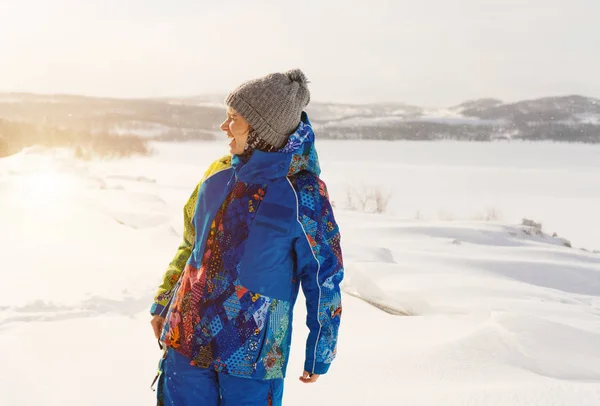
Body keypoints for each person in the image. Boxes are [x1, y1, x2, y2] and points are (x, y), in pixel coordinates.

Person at [149, 69, 344, 406]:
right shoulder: (217, 174)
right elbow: (190, 244)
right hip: (185, 341)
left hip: (250, 356)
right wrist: (164, 302)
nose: (224, 127)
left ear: (261, 130)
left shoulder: (303, 194)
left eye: (233, 119)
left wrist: (320, 350)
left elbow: (324, 276)